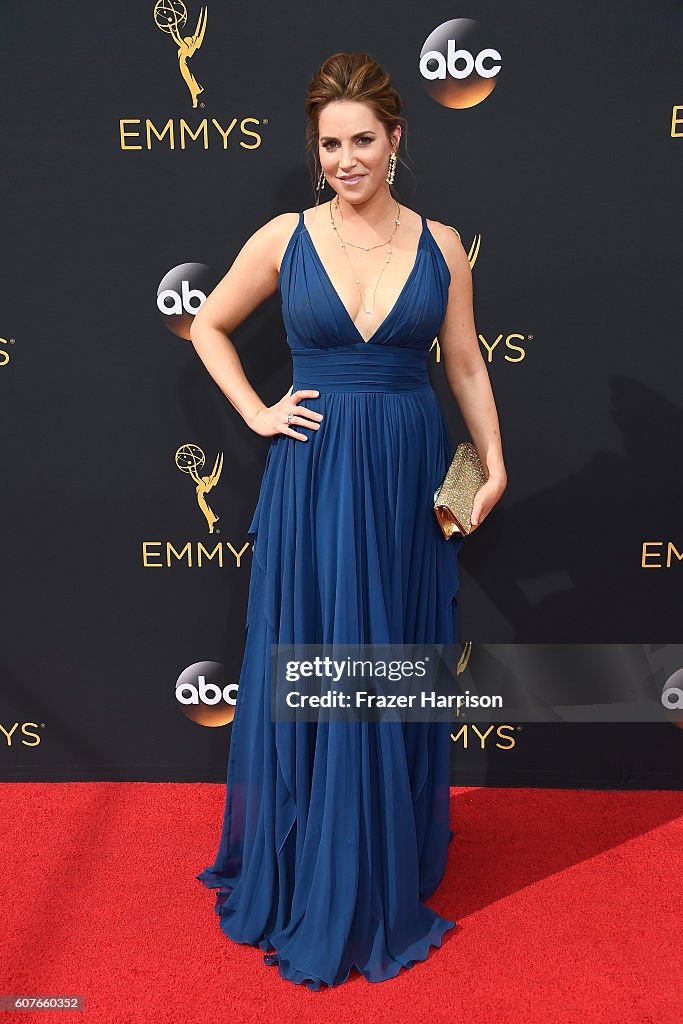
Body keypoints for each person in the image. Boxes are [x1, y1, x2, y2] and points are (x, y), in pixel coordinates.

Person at [191, 51, 507, 990]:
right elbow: (209, 324)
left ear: (397, 138)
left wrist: (492, 460)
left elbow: (464, 367)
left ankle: (378, 858)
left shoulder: (441, 245)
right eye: (329, 143)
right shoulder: (284, 238)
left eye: (361, 139)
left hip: (408, 475)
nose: (344, 158)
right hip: (315, 478)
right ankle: (309, 862)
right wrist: (256, 411)